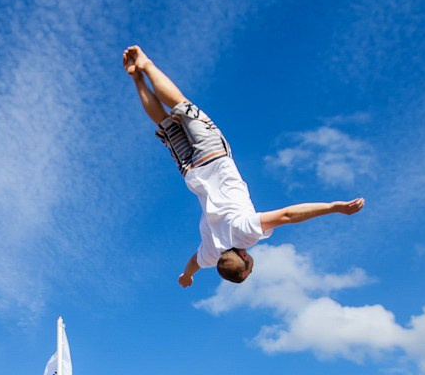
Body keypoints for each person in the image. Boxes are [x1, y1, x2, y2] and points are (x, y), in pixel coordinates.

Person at [123, 45, 364, 287]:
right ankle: (137, 78)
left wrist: (334, 207)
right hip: (190, 171)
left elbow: (287, 215)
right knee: (165, 123)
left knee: (183, 107)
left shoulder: (246, 233)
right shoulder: (210, 253)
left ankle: (147, 65)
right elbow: (194, 262)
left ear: (245, 259)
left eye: (250, 269)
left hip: (214, 157)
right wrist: (187, 276)